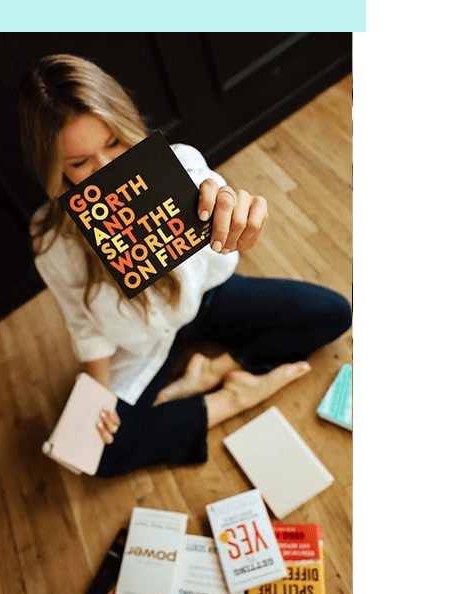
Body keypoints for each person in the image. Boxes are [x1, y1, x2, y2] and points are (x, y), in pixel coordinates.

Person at [18, 53, 352, 478]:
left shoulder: (180, 166)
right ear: (55, 170)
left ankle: (214, 369)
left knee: (333, 312)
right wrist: (98, 392)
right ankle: (231, 399)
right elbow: (85, 326)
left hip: (206, 300)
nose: (108, 170)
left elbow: (221, 249)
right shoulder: (51, 242)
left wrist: (228, 214)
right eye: (80, 163)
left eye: (115, 143)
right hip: (142, 346)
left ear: (128, 127)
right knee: (95, 454)